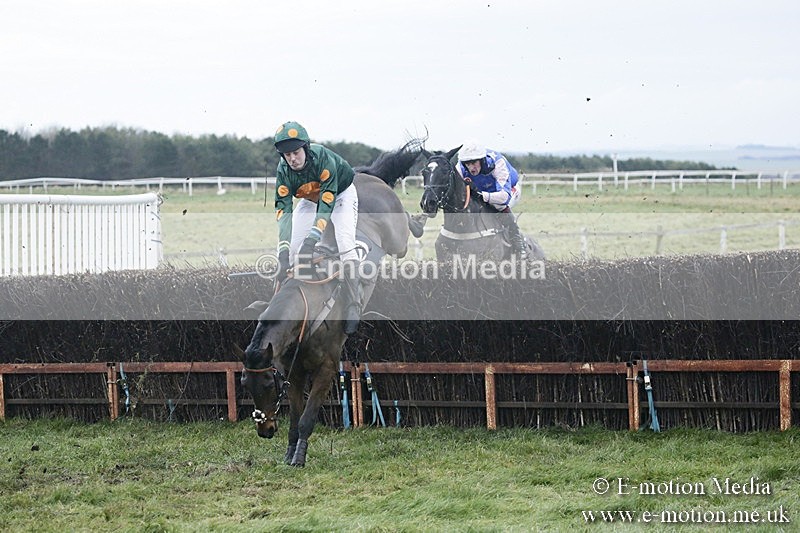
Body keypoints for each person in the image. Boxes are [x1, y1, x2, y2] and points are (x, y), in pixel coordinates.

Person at [273, 120, 364, 334]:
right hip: (310, 198)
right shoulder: (283, 171)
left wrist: (311, 241)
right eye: (287, 155)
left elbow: (327, 204)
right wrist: (283, 252)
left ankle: (354, 303)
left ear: (305, 148)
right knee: (292, 248)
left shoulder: (323, 158)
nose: (292, 159)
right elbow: (283, 212)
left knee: (344, 242)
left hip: (339, 194)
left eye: (296, 152)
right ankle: (285, 302)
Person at [456, 140, 528, 259]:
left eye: (474, 163)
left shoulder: (497, 163)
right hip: (483, 191)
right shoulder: (460, 167)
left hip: (509, 191)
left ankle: (518, 243)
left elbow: (504, 197)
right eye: (467, 164)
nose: (471, 167)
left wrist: (482, 196)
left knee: (498, 205)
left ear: (482, 160)